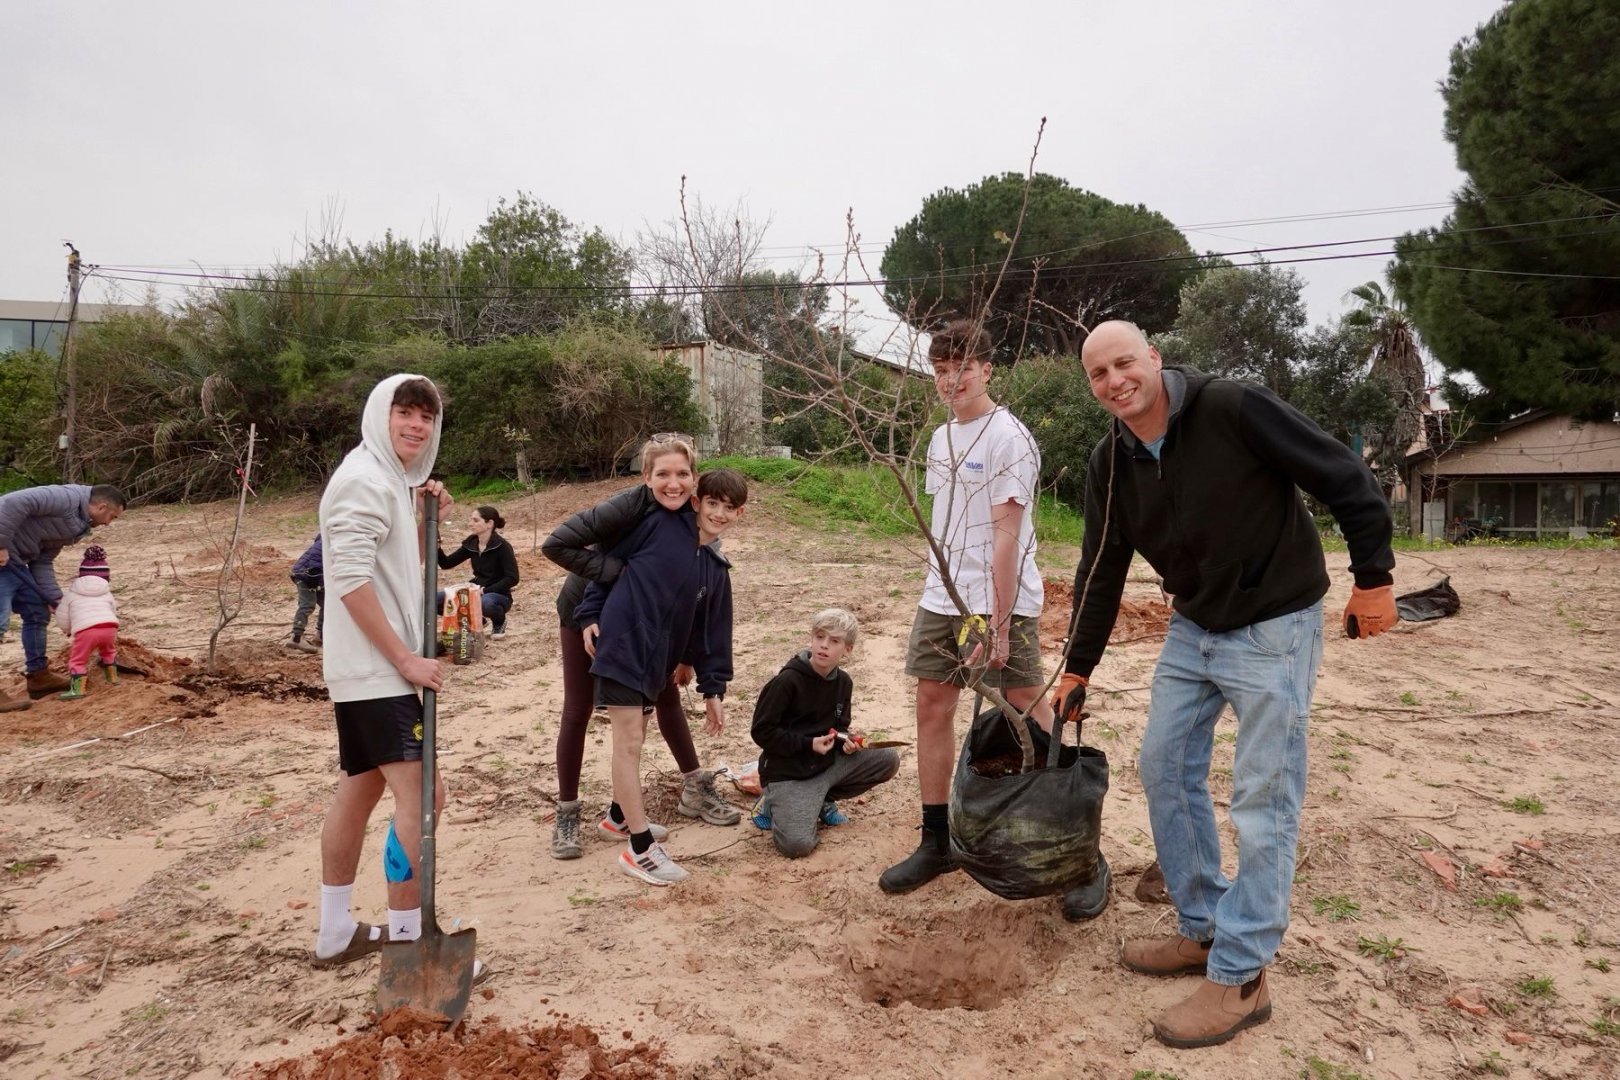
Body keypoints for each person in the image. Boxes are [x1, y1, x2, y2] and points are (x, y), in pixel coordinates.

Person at [1058, 320, 1396, 1048]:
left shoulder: (1232, 407)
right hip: (1195, 627)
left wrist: (1374, 577)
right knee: (1164, 765)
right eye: (1098, 374)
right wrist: (1078, 665)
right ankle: (1205, 927)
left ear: (1153, 356)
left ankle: (1242, 977)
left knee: (1263, 797)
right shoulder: (1110, 461)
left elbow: (1343, 474)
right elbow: (1102, 565)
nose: (1115, 381)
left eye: (1125, 363)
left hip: (1275, 623)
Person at [879, 321, 1100, 913]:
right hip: (942, 596)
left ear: (986, 370)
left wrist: (998, 625)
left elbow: (1006, 537)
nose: (951, 380)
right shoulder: (940, 438)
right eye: (941, 370)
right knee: (932, 703)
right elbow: (948, 522)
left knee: (1027, 704)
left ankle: (1081, 851)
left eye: (963, 368)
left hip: (997, 601)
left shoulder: (1009, 438)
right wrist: (945, 591)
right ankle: (937, 840)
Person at [309, 373, 484, 981]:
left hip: (370, 672)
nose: (416, 425)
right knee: (423, 796)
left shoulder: (387, 482)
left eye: (426, 417)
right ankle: (411, 941)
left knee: (358, 791)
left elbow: (396, 571)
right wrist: (404, 660)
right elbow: (350, 580)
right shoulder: (361, 480)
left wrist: (423, 518)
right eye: (404, 412)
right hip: (377, 672)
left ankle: (335, 930)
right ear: (379, 415)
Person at [540, 441, 742, 861]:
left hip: (644, 619)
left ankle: (627, 811)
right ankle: (568, 812)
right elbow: (574, 550)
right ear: (647, 478)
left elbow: (695, 603)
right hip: (588, 605)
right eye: (663, 474)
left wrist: (691, 662)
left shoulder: (693, 524)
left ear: (694, 482)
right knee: (579, 708)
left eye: (682, 475)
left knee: (660, 697)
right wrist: (595, 606)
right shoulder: (634, 509)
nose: (673, 483)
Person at [749, 608, 900, 858]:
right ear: (812, 638)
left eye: (834, 641)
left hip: (825, 764)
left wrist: (845, 741)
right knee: (797, 846)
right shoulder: (787, 681)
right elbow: (761, 732)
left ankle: (822, 799)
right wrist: (808, 744)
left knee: (888, 759)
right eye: (819, 637)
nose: (824, 645)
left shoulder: (844, 683)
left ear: (847, 649)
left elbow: (839, 727)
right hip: (788, 772)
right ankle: (770, 802)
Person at [0, 483, 126, 711]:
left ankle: (38, 676)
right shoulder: (63, 498)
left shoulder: (78, 526)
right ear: (101, 507)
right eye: (112, 517)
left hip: (14, 562)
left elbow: (42, 559)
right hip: (4, 557)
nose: (108, 523)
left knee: (37, 612)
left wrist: (56, 600)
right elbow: (10, 502)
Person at [436, 505, 519, 639]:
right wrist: (438, 548)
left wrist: (485, 590)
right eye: (471, 520)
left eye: (475, 520)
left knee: (485, 603)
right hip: (475, 591)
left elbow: (513, 578)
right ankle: (477, 619)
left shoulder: (502, 546)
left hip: (499, 595)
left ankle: (499, 622)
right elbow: (447, 563)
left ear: (489, 524)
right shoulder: (472, 543)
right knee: (435, 600)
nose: (470, 524)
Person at [53, 545, 119, 701]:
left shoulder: (71, 594)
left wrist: (68, 630)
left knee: (78, 660)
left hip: (86, 631)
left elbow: (63, 617)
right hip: (110, 628)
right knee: (108, 652)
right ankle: (113, 678)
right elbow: (113, 610)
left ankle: (77, 690)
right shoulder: (107, 593)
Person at [288, 535, 325, 653]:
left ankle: (320, 636)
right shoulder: (327, 540)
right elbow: (316, 556)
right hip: (305, 575)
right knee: (307, 604)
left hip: (314, 576)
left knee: (327, 604)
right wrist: (314, 574)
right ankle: (296, 638)